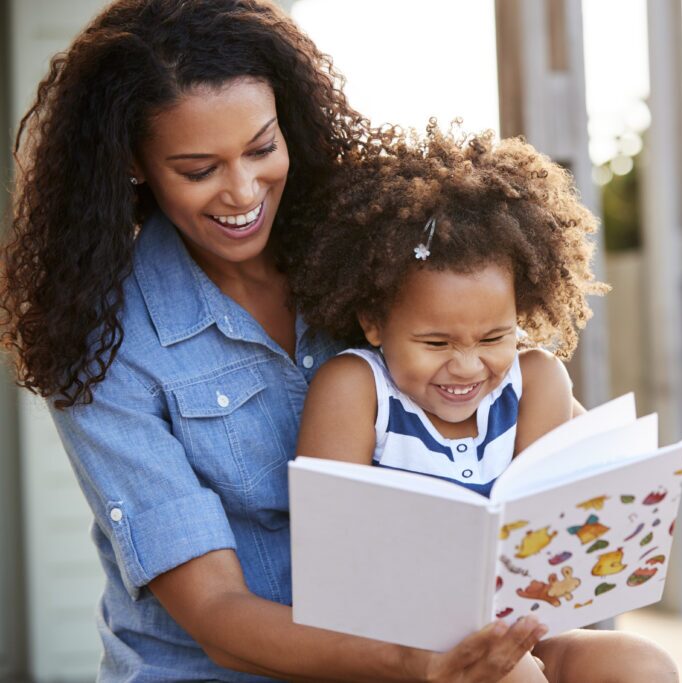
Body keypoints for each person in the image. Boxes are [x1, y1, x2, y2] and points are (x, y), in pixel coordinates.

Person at [0, 1, 559, 679]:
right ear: (134, 163)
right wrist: (417, 662)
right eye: (199, 168)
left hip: (415, 639)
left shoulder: (367, 258)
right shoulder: (104, 340)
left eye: (262, 148)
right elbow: (217, 614)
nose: (243, 190)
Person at [290, 123, 679, 683]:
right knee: (513, 675)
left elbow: (551, 535)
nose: (468, 366)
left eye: (494, 338)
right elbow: (330, 559)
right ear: (374, 322)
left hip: (519, 631)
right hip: (397, 655)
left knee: (641, 663)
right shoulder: (354, 390)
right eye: (436, 343)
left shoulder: (537, 381)